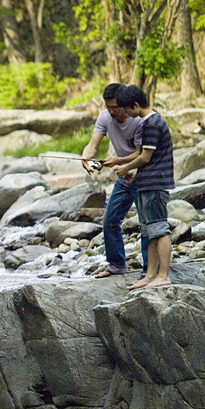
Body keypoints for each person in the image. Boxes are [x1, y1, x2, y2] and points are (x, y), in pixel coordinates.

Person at [82, 83, 148, 278]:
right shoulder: (105, 117)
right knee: (110, 220)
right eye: (108, 106)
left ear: (125, 103)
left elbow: (141, 153)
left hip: (142, 174)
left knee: (147, 223)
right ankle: (117, 265)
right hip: (123, 175)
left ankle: (150, 271)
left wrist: (119, 161)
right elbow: (93, 145)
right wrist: (86, 156)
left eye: (115, 107)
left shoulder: (138, 121)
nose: (111, 111)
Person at [115, 85, 174, 289]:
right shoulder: (153, 121)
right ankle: (150, 275)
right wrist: (135, 171)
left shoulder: (151, 123)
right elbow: (150, 159)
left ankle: (164, 275)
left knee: (160, 229)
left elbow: (146, 156)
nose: (127, 115)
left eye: (128, 110)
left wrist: (125, 167)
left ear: (136, 105)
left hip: (156, 184)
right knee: (150, 231)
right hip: (148, 182)